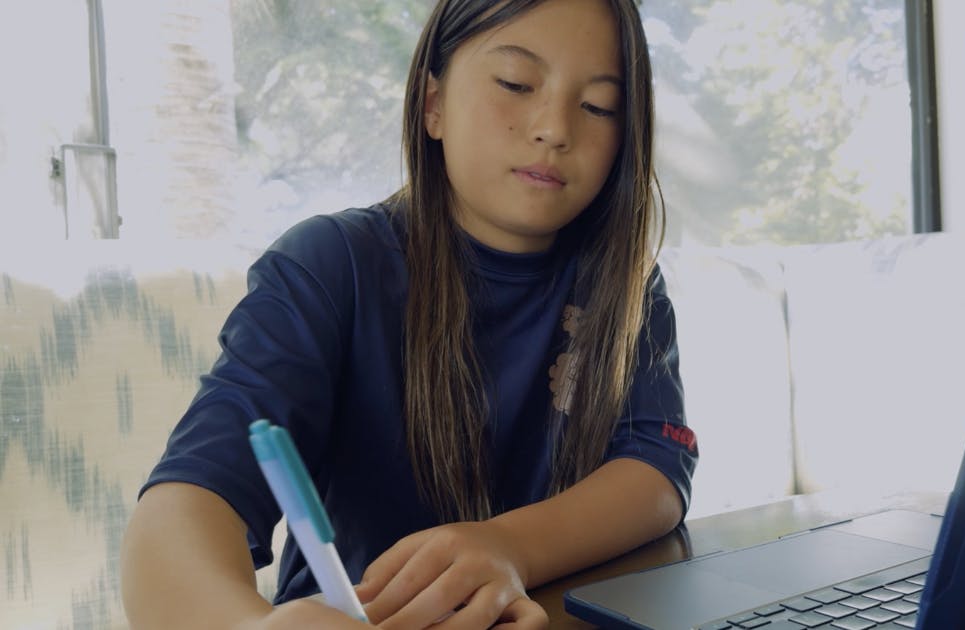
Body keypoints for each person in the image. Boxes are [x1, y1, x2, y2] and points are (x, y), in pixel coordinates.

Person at [119, 0, 698, 628]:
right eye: (515, 83)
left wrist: (509, 548)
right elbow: (186, 501)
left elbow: (657, 470)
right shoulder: (330, 265)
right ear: (433, 103)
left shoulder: (627, 283)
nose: (555, 128)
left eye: (598, 106)